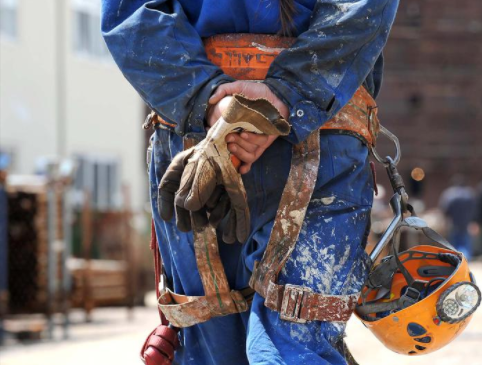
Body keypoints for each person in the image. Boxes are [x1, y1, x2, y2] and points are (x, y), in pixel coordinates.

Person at [101, 1, 398, 364]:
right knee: (294, 340)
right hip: (312, 132)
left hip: (202, 134)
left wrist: (212, 102)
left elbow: (132, 13)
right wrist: (282, 98)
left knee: (212, 343)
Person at [439, 175, 476, 260]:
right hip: (466, 222)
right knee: (466, 243)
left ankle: (458, 260)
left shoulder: (449, 194)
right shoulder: (469, 193)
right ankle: (466, 259)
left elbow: (444, 210)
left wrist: (444, 222)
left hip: (453, 222)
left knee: (454, 244)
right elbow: (474, 209)